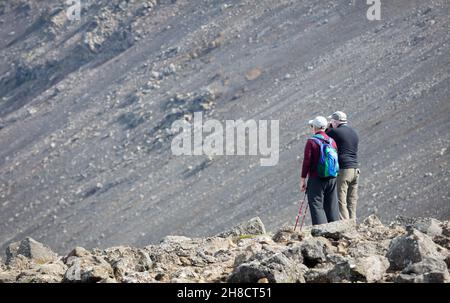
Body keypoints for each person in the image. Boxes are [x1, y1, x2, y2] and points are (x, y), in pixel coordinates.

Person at [300, 116, 340, 225]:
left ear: (315, 127)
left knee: (316, 205)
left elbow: (307, 162)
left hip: (316, 178)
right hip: (332, 177)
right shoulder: (332, 141)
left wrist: (303, 179)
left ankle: (320, 233)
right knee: (332, 205)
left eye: (312, 126)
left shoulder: (311, 141)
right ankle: (337, 230)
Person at [326, 111, 360, 220]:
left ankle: (345, 227)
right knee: (352, 201)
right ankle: (353, 224)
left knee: (341, 200)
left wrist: (328, 127)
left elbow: (324, 135)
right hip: (355, 169)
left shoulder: (335, 132)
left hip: (344, 169)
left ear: (336, 121)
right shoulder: (354, 132)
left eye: (332, 121)